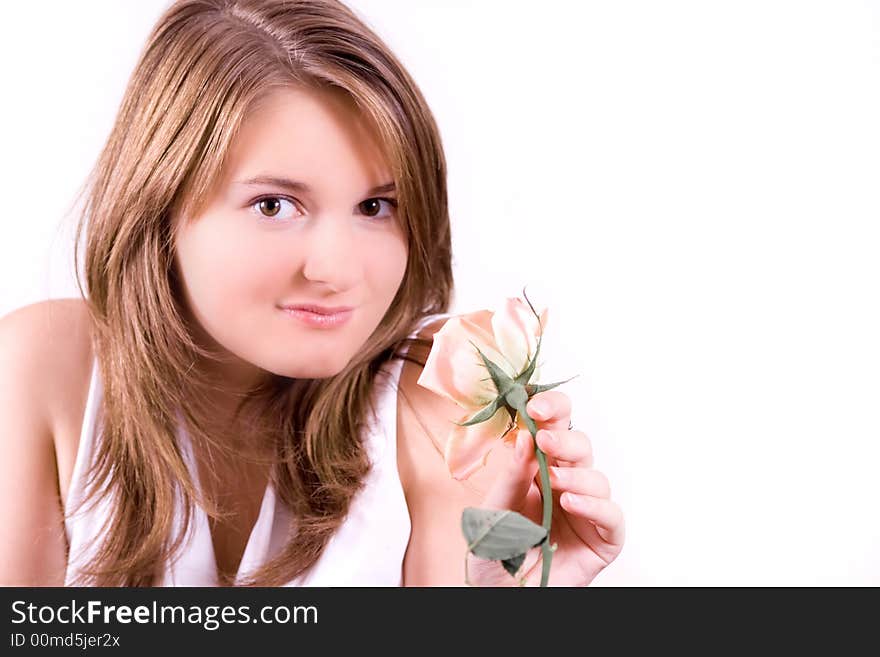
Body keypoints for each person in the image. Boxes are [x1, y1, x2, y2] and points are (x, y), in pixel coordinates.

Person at [0, 0, 624, 587]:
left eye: (376, 206)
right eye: (274, 205)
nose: (337, 269)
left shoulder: (440, 389)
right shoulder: (45, 369)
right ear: (157, 202)